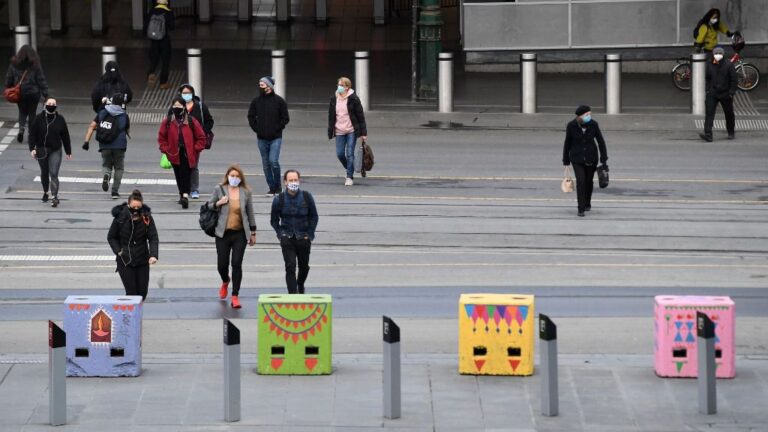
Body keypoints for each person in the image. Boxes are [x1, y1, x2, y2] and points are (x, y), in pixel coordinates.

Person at [207, 165, 257, 309]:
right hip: (223, 233)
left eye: (237, 176)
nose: (234, 178)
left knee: (236, 263)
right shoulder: (219, 189)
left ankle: (235, 295)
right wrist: (218, 203)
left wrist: (253, 233)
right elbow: (209, 206)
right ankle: (225, 280)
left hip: (239, 233)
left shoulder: (245, 192)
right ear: (227, 176)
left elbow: (250, 213)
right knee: (222, 265)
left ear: (241, 178)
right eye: (232, 175)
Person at [271, 170, 319, 294]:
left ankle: (300, 284)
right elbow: (274, 220)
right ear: (285, 182)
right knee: (290, 266)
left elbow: (314, 217)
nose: (293, 182)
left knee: (304, 267)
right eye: (290, 180)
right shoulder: (279, 200)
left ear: (299, 181)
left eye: (295, 180)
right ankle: (293, 296)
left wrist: (309, 235)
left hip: (303, 237)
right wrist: (280, 234)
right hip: (287, 237)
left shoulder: (307, 197)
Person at [108, 190, 159, 300]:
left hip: (142, 260)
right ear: (128, 205)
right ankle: (131, 316)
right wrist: (119, 251)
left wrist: (153, 255)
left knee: (142, 294)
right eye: (133, 207)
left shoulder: (147, 217)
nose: (136, 210)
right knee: (131, 294)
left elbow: (153, 237)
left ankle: (136, 315)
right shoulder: (120, 217)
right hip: (125, 261)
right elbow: (111, 237)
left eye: (138, 207)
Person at [158, 96, 206, 209]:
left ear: (184, 107)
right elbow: (161, 137)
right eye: (174, 106)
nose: (176, 108)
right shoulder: (168, 121)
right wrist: (165, 148)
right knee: (178, 174)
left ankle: (185, 195)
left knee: (185, 173)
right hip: (173, 153)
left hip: (187, 152)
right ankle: (182, 194)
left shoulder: (191, 121)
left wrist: (195, 149)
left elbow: (201, 137)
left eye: (179, 106)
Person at [562, 105, 608, 217]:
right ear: (580, 116)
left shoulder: (593, 125)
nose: (589, 116)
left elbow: (601, 141)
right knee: (581, 181)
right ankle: (580, 208)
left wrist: (604, 158)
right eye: (587, 115)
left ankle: (587, 203)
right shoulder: (571, 126)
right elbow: (567, 143)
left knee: (588, 182)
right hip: (577, 158)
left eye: (590, 114)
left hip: (591, 158)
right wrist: (566, 159)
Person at [247, 76, 289, 196]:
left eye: (262, 85)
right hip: (261, 138)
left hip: (276, 137)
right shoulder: (256, 101)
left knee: (273, 161)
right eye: (260, 85)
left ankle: (278, 186)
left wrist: (277, 128)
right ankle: (272, 188)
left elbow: (285, 118)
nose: (260, 87)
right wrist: (257, 129)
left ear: (269, 86)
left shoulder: (279, 101)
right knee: (266, 164)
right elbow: (250, 116)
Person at [83, 93, 130, 199]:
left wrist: (86, 141)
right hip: (120, 145)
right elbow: (127, 129)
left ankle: (106, 175)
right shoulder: (124, 115)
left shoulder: (103, 112)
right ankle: (114, 192)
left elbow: (92, 126)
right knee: (119, 168)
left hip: (105, 144)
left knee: (106, 165)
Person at [28, 98, 72, 207]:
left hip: (55, 149)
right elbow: (32, 134)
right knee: (44, 172)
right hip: (41, 149)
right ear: (44, 105)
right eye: (49, 103)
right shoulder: (38, 119)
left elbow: (65, 136)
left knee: (54, 173)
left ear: (56, 106)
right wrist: (32, 149)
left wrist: (68, 151)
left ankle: (54, 196)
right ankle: (45, 192)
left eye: (53, 104)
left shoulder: (60, 119)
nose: (51, 105)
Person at [173, 84, 214, 199]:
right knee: (181, 166)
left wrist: (202, 132)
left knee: (193, 165)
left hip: (194, 142)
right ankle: (184, 189)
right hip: (180, 142)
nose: (186, 95)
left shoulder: (200, 106)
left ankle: (194, 189)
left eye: (188, 93)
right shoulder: (176, 106)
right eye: (184, 93)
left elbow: (209, 121)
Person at [327, 77, 367, 186]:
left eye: (342, 85)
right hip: (339, 130)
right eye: (338, 84)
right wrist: (330, 130)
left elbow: (360, 116)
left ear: (347, 87)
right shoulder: (334, 98)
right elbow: (331, 116)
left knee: (350, 153)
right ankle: (350, 167)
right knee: (340, 154)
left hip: (351, 130)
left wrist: (363, 133)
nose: (339, 87)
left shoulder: (353, 98)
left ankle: (349, 176)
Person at [5, 45, 49, 143]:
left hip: (20, 93)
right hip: (34, 93)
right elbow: (41, 79)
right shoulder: (35, 64)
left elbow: (9, 77)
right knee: (32, 113)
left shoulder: (14, 64)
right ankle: (31, 134)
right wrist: (46, 94)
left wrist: (9, 87)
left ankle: (21, 129)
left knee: (22, 112)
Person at [699, 46, 737, 142]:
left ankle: (731, 132)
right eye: (716, 53)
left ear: (723, 54)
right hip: (713, 92)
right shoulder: (709, 64)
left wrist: (731, 92)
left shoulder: (728, 64)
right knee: (709, 113)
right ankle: (708, 134)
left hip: (726, 93)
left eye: (720, 53)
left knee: (729, 114)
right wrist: (708, 89)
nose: (718, 55)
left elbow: (734, 80)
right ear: (713, 54)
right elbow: (707, 77)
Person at [146, 0, 175, 89]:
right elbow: (172, 27)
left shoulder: (151, 11)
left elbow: (146, 24)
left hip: (153, 40)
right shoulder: (168, 12)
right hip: (164, 39)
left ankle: (151, 73)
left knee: (154, 58)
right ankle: (163, 83)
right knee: (165, 61)